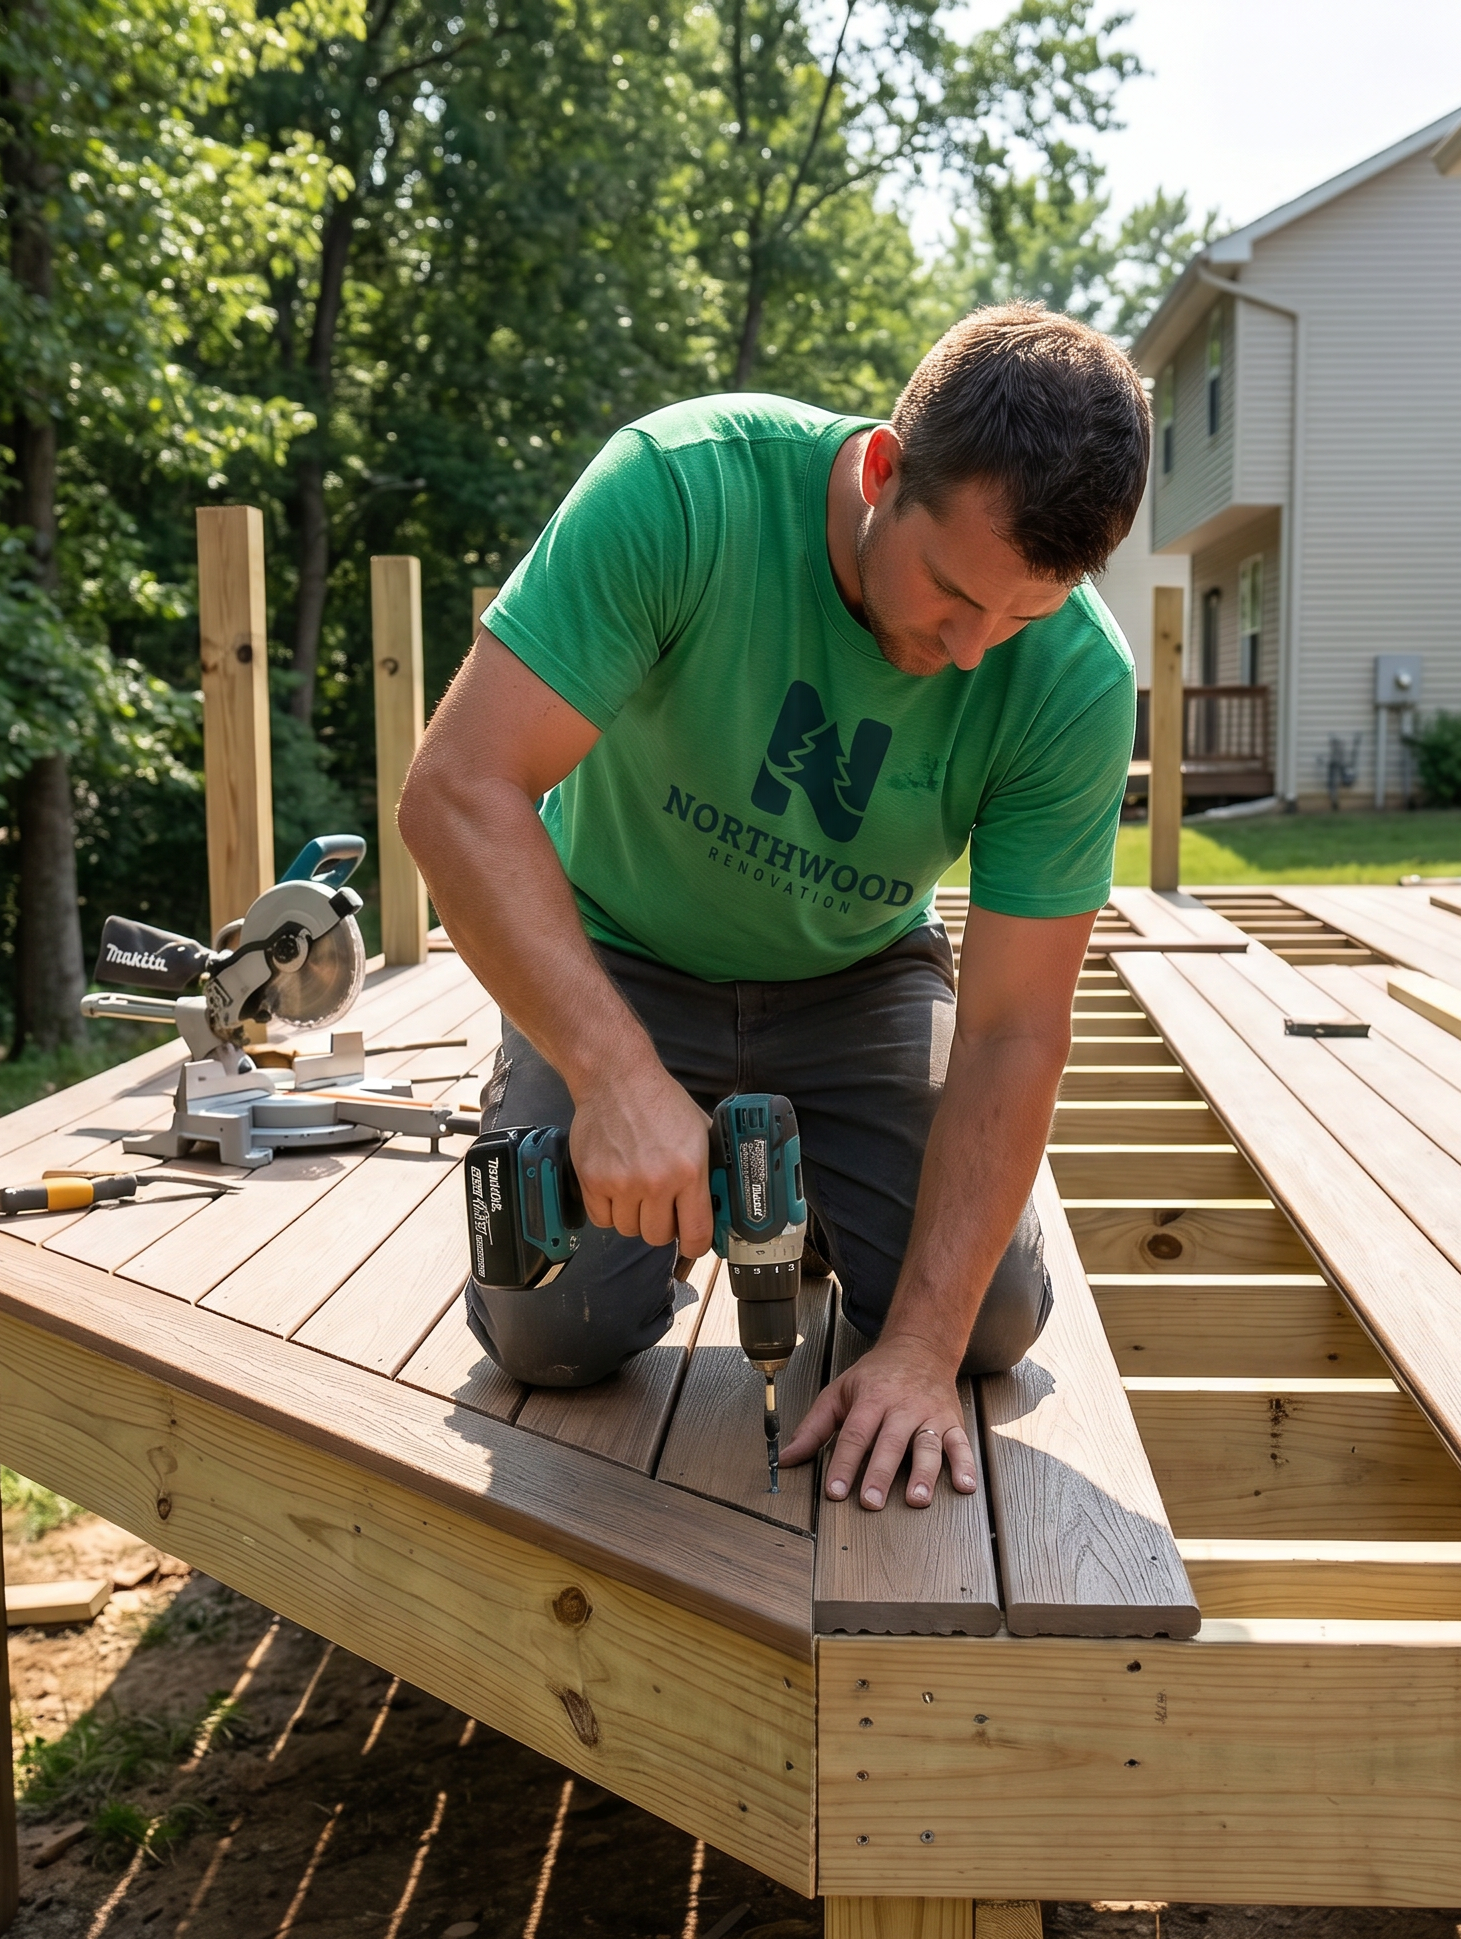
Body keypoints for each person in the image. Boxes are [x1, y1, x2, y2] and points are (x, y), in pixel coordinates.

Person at [400, 300, 1149, 1514]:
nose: (970, 653)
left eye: (1019, 615)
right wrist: (612, 1075)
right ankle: (675, 1136)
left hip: (859, 978)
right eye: (954, 593)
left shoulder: (1071, 679)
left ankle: (806, 1193)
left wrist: (912, 1348)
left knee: (982, 1323)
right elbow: (456, 791)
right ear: (881, 469)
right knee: (550, 1335)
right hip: (619, 953)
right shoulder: (683, 491)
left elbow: (1015, 1027)